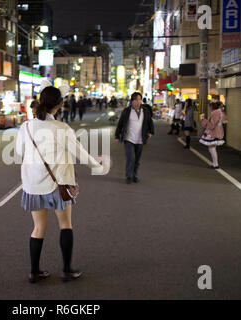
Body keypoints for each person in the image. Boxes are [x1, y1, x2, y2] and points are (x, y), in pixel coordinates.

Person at [16, 86, 108, 283]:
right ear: (59, 105)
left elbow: (18, 152)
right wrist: (97, 164)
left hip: (33, 184)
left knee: (38, 228)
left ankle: (34, 272)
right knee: (65, 224)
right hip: (59, 185)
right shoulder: (62, 129)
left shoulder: (25, 127)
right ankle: (66, 270)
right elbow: (80, 153)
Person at [115, 92, 155, 184]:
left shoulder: (145, 111)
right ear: (132, 101)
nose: (138, 101)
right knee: (131, 158)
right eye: (136, 99)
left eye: (139, 99)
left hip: (140, 139)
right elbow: (120, 123)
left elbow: (150, 123)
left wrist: (150, 133)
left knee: (137, 160)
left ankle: (135, 175)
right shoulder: (127, 111)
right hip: (129, 139)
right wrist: (117, 135)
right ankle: (129, 176)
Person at [199, 102, 227, 169]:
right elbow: (225, 120)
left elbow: (211, 125)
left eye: (210, 107)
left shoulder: (215, 113)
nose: (210, 108)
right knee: (212, 147)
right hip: (218, 131)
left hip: (213, 132)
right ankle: (215, 164)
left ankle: (215, 164)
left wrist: (203, 120)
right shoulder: (220, 113)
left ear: (212, 107)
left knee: (211, 147)